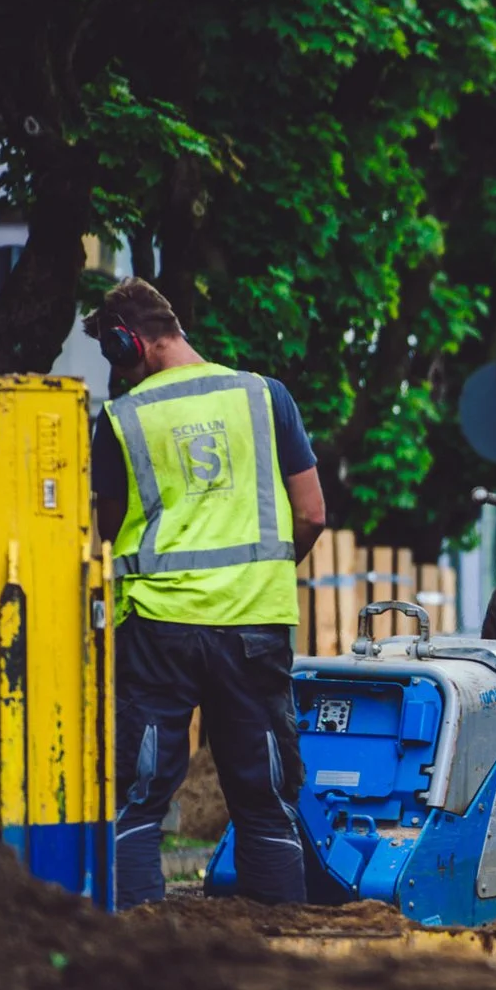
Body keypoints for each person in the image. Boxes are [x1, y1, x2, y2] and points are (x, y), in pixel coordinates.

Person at [85, 279, 328, 910]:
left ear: (128, 342)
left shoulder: (121, 419)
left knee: (138, 800)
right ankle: (282, 941)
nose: (118, 371)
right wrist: (259, 575)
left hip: (157, 630)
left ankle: (135, 943)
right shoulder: (264, 397)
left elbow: (109, 529)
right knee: (266, 800)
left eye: (113, 355)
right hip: (253, 626)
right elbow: (311, 514)